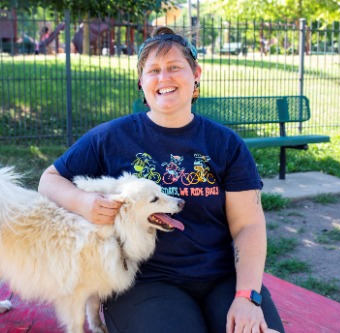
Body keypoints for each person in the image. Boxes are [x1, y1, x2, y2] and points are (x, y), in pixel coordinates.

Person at [38, 26, 285, 333]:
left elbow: (248, 224)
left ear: (196, 74)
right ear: (141, 83)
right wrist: (83, 202)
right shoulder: (110, 137)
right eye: (153, 70)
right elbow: (49, 180)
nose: (164, 78)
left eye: (174, 68)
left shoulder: (226, 144)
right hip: (144, 282)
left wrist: (247, 296)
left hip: (223, 278)